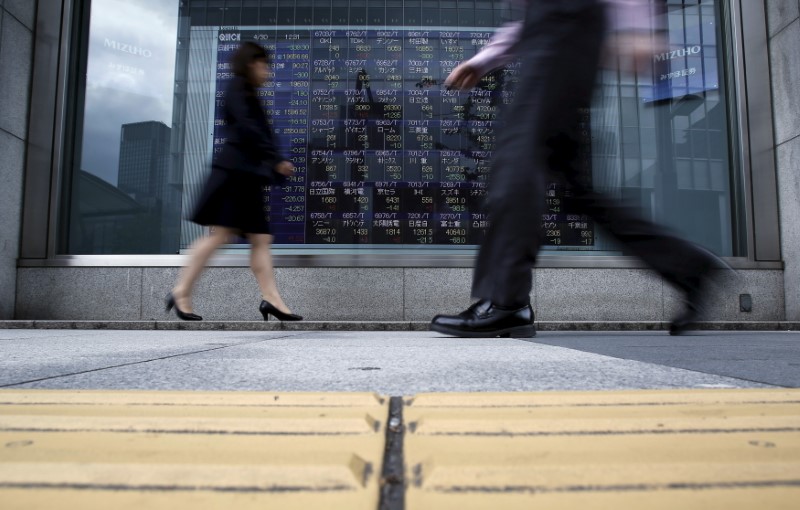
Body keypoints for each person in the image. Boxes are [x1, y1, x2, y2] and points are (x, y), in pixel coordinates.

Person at [431, 0, 724, 338]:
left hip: (566, 27)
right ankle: (688, 266)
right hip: (558, 31)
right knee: (575, 188)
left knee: (516, 159)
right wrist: (487, 58)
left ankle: (506, 301)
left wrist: (637, 24)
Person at [166, 42, 302, 322]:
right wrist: (275, 158)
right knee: (222, 236)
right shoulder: (238, 88)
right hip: (235, 175)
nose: (268, 71)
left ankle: (271, 299)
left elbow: (253, 131)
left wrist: (272, 160)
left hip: (245, 176)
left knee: (259, 238)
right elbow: (248, 128)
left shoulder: (245, 91)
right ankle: (181, 291)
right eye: (264, 65)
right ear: (251, 63)